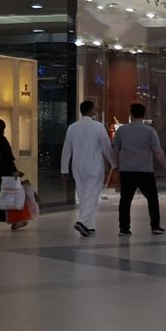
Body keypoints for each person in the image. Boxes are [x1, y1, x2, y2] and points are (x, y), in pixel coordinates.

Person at [113, 102, 166, 235]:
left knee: (125, 200)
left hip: (127, 171)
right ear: (144, 115)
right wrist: (165, 167)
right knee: (152, 199)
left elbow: (116, 149)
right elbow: (158, 151)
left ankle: (124, 228)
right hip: (145, 171)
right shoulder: (150, 131)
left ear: (131, 114)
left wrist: (117, 165)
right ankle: (155, 226)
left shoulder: (122, 130)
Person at [61, 100, 114, 238]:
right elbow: (106, 147)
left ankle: (89, 226)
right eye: (95, 109)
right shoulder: (98, 127)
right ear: (91, 111)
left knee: (83, 195)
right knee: (92, 195)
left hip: (77, 167)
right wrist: (114, 163)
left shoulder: (72, 127)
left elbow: (66, 149)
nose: (96, 111)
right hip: (94, 166)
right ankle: (83, 222)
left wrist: (64, 169)